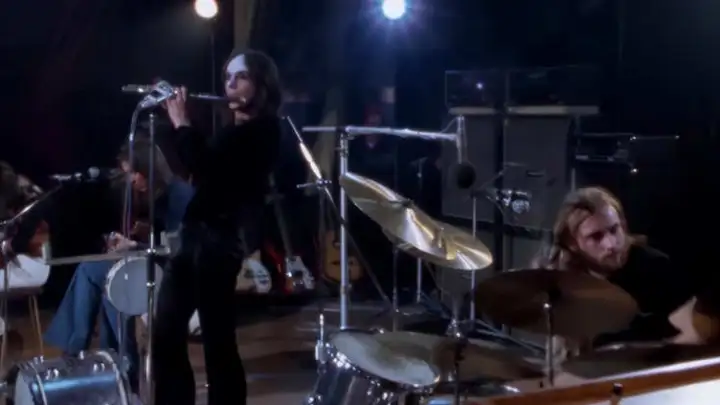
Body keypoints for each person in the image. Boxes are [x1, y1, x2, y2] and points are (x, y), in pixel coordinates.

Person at [157, 48, 281, 405]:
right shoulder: (234, 131)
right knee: (169, 333)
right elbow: (200, 169)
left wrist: (182, 122)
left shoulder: (262, 131)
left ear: (261, 84)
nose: (230, 85)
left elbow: (204, 164)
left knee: (217, 341)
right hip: (197, 237)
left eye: (240, 77)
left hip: (218, 240)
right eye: (227, 77)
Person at [43, 139, 194, 391]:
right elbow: (160, 235)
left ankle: (83, 353)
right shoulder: (155, 195)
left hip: (172, 274)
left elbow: (177, 247)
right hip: (147, 264)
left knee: (94, 271)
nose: (131, 180)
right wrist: (139, 235)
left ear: (149, 169)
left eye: (134, 173)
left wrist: (134, 245)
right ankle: (117, 364)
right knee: (109, 278)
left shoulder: (179, 194)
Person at [537, 186, 696, 348]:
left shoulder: (656, 268)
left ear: (623, 225)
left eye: (614, 230)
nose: (611, 244)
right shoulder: (564, 278)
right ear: (572, 243)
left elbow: (688, 333)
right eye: (596, 236)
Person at [0, 163, 51, 336]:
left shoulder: (30, 208)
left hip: (31, 265)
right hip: (22, 262)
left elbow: (20, 243)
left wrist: (8, 245)